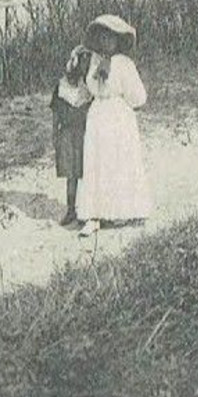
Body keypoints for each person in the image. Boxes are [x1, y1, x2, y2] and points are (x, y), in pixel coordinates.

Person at [76, 15, 153, 236]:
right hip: (98, 116)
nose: (105, 41)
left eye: (109, 37)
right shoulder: (93, 62)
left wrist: (121, 100)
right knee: (97, 163)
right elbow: (89, 88)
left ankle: (124, 210)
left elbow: (139, 96)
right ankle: (95, 214)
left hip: (119, 117)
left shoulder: (125, 64)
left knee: (120, 162)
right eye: (101, 37)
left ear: (118, 40)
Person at [50, 43, 93, 227]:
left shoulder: (89, 87)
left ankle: (88, 209)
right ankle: (71, 210)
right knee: (71, 173)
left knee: (88, 171)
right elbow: (56, 113)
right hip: (67, 133)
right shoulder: (61, 87)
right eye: (82, 62)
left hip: (85, 132)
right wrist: (55, 134)